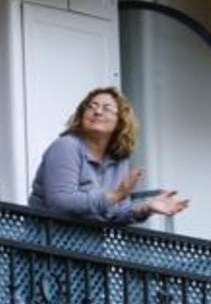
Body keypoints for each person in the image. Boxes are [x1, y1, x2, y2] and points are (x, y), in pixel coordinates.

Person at [28, 87, 188, 223]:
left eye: (106, 108)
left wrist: (146, 208)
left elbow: (115, 213)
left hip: (89, 250)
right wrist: (114, 195)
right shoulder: (66, 146)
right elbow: (60, 202)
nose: (97, 112)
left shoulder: (119, 159)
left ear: (120, 121)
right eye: (91, 107)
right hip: (47, 248)